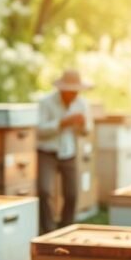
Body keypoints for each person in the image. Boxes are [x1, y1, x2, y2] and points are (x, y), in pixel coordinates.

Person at [36, 69, 93, 232]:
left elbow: (87, 130)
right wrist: (62, 123)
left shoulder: (82, 104)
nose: (74, 95)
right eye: (70, 91)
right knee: (44, 191)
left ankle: (66, 228)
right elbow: (39, 130)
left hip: (69, 152)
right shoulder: (45, 102)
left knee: (72, 194)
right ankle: (47, 228)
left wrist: (82, 125)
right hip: (47, 152)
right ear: (62, 89)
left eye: (76, 92)